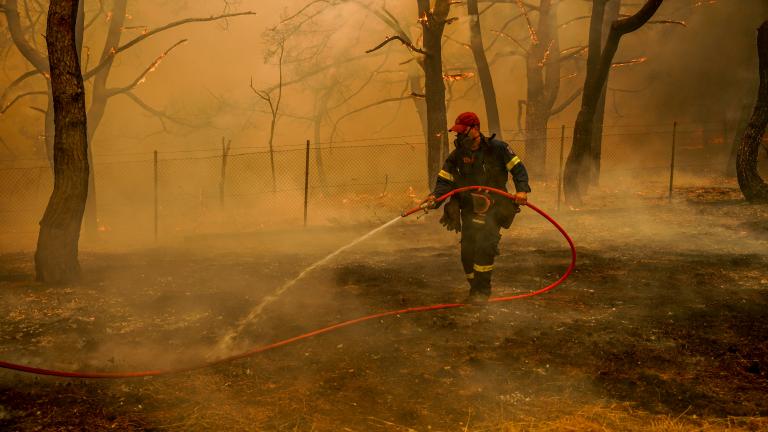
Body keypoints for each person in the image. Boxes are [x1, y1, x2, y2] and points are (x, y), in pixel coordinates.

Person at [422, 112, 531, 304]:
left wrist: (522, 191)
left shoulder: (499, 149)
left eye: (463, 132)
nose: (460, 137)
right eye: (457, 133)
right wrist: (434, 197)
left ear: (476, 129)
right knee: (467, 252)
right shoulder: (457, 156)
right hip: (470, 207)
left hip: (495, 206)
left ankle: (482, 291)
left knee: (484, 246)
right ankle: (474, 289)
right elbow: (444, 180)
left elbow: (518, 169)